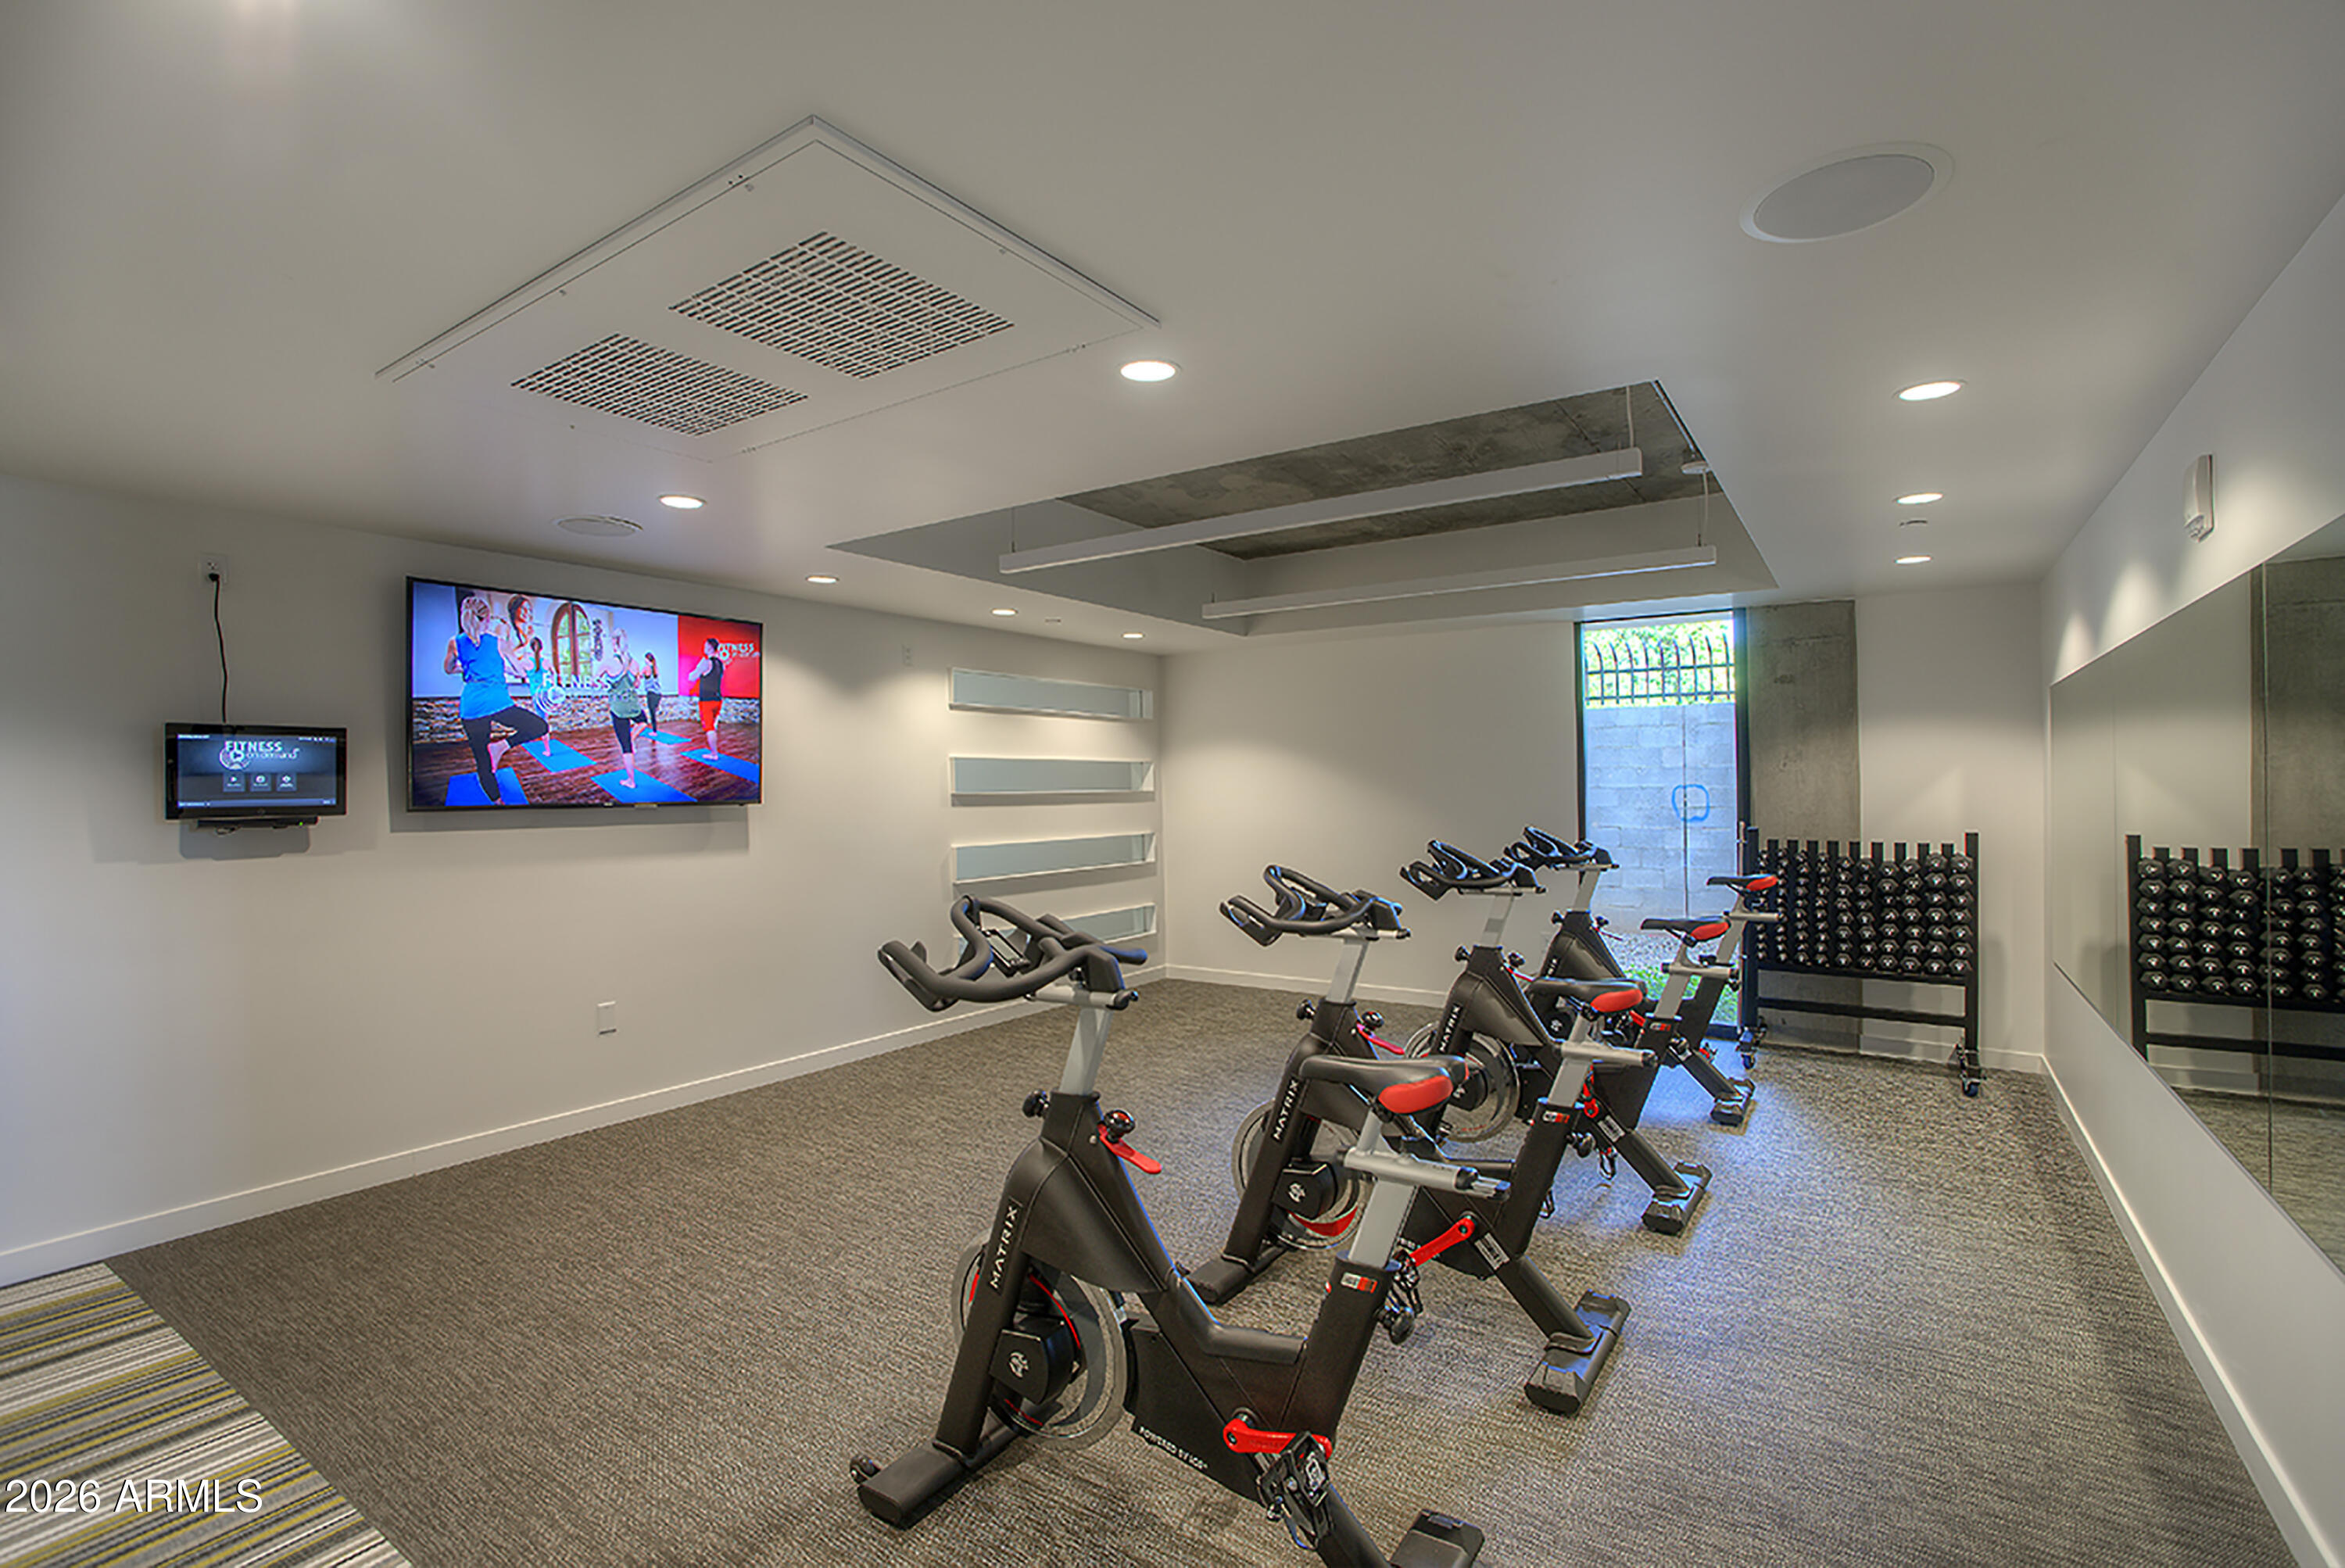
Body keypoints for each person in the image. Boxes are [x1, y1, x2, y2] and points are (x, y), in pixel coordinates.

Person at [442, 592, 548, 802]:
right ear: (487, 618)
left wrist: (471, 669)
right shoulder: (499, 642)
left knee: (482, 760)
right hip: (498, 703)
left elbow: (449, 668)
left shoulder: (455, 642)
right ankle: (501, 746)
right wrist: (503, 667)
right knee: (539, 726)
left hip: (471, 706)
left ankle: (497, 802)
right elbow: (520, 672)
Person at [508, 596, 557, 759]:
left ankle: (547, 749)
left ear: (531, 647)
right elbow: (554, 673)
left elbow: (517, 672)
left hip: (537, 695)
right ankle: (545, 745)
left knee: (542, 722)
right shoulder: (545, 661)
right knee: (543, 720)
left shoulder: (527, 662)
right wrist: (552, 684)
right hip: (546, 695)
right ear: (541, 648)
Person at [598, 625, 644, 789]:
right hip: (633, 705)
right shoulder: (635, 663)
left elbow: (595, 680)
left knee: (627, 748)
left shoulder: (609, 663)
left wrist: (604, 684)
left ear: (614, 642)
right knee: (643, 721)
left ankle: (631, 781)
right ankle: (631, 737)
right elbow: (636, 685)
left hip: (618, 709)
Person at [687, 636, 725, 756]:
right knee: (713, 727)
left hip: (707, 701)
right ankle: (714, 752)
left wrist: (698, 668)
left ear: (709, 647)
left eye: (705, 646)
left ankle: (714, 754)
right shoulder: (721, 663)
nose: (703, 648)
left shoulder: (706, 662)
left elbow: (692, 677)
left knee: (709, 728)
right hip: (718, 699)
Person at [640, 650, 662, 737]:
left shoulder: (646, 668)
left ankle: (654, 731)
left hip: (651, 694)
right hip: (658, 694)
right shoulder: (655, 668)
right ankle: (654, 730)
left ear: (647, 659)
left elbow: (640, 675)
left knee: (652, 714)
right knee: (654, 713)